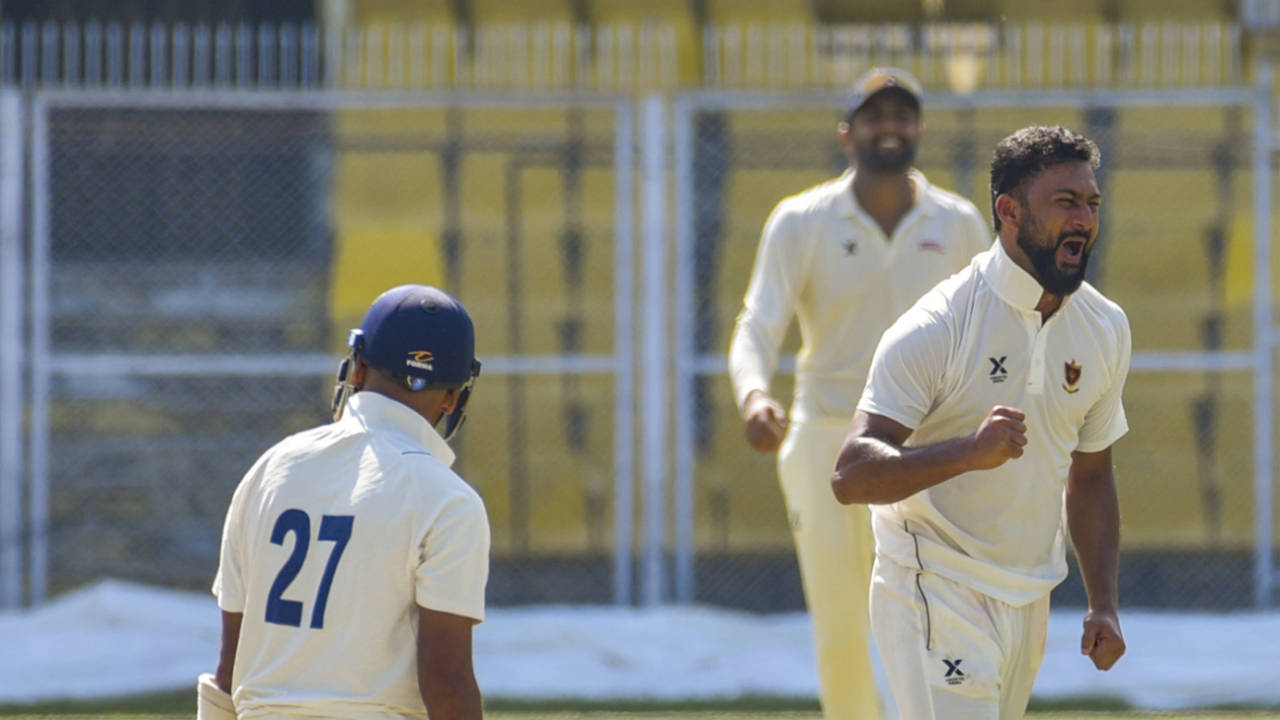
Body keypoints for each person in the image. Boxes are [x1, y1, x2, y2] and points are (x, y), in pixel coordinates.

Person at [832, 125, 1129, 719]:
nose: (1084, 219)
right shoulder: (940, 325)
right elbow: (851, 474)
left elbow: (1092, 474)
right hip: (932, 579)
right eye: (1065, 202)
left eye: (1092, 203)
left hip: (1027, 597)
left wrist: (1103, 603)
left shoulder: (1104, 326)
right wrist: (966, 452)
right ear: (1009, 211)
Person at [727, 67, 991, 719]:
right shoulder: (802, 220)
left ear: (919, 129)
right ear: (847, 133)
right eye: (875, 117)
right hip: (828, 438)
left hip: (929, 444)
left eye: (902, 115)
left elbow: (991, 328)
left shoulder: (957, 222)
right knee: (841, 619)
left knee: (936, 612)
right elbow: (758, 324)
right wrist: (754, 396)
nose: (889, 127)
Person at [199, 284, 488, 720]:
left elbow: (229, 671)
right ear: (452, 398)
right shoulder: (449, 501)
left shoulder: (273, 468)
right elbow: (446, 682)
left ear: (357, 369)